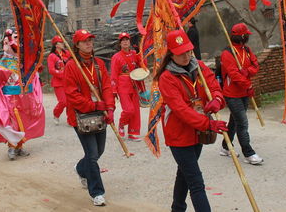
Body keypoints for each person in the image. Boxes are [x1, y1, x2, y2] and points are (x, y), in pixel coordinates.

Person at [155, 29, 227, 212]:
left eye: (188, 50)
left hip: (199, 133)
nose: (186, 56)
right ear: (171, 53)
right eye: (181, 53)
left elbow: (214, 86)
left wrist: (217, 100)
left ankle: (177, 208)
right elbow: (180, 110)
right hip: (179, 135)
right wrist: (208, 123)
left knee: (185, 173)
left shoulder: (200, 67)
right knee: (196, 181)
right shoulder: (166, 78)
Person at [64, 29, 115, 207]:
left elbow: (107, 87)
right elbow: (72, 95)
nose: (89, 44)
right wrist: (93, 105)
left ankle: (80, 169)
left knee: (98, 151)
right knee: (92, 155)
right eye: (85, 41)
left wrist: (110, 108)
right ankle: (97, 192)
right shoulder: (71, 66)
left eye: (90, 41)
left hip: (100, 113)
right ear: (76, 45)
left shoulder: (99, 63)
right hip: (81, 116)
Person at [0, 29, 45, 160]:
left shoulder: (25, 64)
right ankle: (11, 147)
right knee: (12, 123)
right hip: (9, 99)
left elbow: (33, 79)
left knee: (23, 122)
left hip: (24, 98)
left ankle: (20, 146)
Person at [220, 23, 263, 165]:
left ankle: (226, 147)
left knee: (235, 120)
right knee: (242, 123)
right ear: (242, 36)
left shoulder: (247, 50)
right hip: (232, 93)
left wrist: (248, 72)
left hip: (244, 92)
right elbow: (234, 75)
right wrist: (248, 84)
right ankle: (248, 153)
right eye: (246, 35)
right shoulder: (227, 53)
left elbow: (255, 65)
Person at [110, 32, 143, 142]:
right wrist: (114, 89)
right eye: (122, 40)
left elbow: (142, 66)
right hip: (122, 86)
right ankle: (121, 123)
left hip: (134, 84)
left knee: (136, 111)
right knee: (129, 110)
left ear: (130, 42)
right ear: (120, 43)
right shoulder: (116, 57)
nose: (125, 42)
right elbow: (114, 74)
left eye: (127, 40)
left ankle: (133, 133)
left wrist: (141, 53)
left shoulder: (134, 54)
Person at [47, 35, 70, 125]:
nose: (63, 44)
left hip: (69, 81)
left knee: (70, 102)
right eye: (61, 42)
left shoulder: (67, 53)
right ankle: (56, 114)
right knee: (63, 101)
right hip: (58, 82)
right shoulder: (52, 56)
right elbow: (51, 70)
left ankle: (70, 119)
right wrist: (62, 75)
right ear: (56, 45)